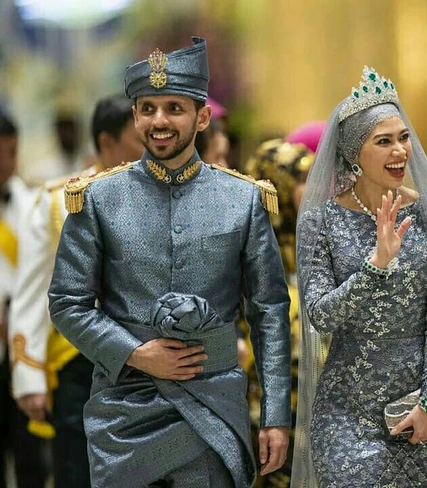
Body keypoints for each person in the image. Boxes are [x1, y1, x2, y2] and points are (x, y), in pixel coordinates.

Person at [47, 37, 292, 488]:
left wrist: (276, 415)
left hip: (213, 403)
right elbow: (67, 303)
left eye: (174, 108)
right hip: (125, 411)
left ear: (202, 117)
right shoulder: (98, 199)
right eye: (147, 109)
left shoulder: (242, 200)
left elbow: (269, 311)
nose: (158, 121)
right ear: (135, 116)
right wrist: (136, 353)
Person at [291, 66, 427, 487]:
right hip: (346, 412)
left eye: (404, 138)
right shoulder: (320, 221)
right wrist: (375, 266)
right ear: (354, 152)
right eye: (384, 141)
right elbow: (320, 316)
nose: (400, 151)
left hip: (422, 405)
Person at [9, 94, 144, 488]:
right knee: (77, 471)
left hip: (146, 362)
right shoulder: (59, 201)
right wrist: (29, 376)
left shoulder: (161, 196)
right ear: (107, 142)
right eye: (140, 140)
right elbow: (32, 293)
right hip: (78, 361)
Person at [243, 139, 315, 487]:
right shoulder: (250, 250)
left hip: (316, 412)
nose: (315, 189)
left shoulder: (317, 243)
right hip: (263, 413)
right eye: (302, 180)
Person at [0, 107, 50, 488]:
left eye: (12, 152)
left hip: (23, 346)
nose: (7, 162)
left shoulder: (33, 203)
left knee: (31, 455)